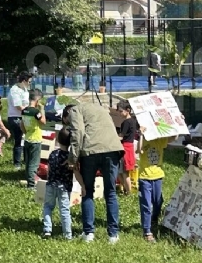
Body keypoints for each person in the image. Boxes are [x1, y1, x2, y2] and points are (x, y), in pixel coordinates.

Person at [62, 100, 123, 243]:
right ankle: (113, 235)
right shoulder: (100, 109)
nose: (67, 125)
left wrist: (73, 159)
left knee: (87, 190)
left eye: (66, 122)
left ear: (67, 113)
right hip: (112, 149)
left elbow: (78, 133)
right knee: (111, 192)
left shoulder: (75, 111)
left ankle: (88, 233)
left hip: (91, 151)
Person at [42, 137, 73, 240]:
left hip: (51, 184)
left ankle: (47, 230)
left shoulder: (53, 154)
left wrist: (49, 179)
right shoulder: (70, 157)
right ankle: (67, 235)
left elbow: (49, 169)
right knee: (64, 210)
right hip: (64, 187)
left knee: (48, 207)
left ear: (58, 141)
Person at [138, 136, 168, 243]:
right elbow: (139, 149)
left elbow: (173, 138)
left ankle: (154, 219)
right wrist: (141, 135)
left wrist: (177, 123)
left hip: (158, 177)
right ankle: (147, 231)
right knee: (146, 204)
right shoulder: (144, 140)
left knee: (158, 201)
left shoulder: (159, 140)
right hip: (145, 178)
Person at [21, 89, 46, 189]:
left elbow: (21, 125)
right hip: (35, 140)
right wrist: (42, 109)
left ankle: (28, 180)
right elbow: (43, 122)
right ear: (38, 100)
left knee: (28, 163)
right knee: (34, 164)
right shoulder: (36, 112)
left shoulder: (24, 110)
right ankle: (31, 185)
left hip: (27, 139)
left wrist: (26, 133)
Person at [6, 71, 30, 170]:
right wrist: (31, 111)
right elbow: (18, 106)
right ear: (24, 81)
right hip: (15, 118)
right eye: (29, 81)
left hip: (24, 117)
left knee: (26, 139)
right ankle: (17, 164)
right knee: (19, 140)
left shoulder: (25, 89)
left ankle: (26, 160)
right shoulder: (14, 90)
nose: (30, 83)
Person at [116, 98, 139, 195]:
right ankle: (127, 190)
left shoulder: (126, 122)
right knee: (123, 172)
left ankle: (129, 192)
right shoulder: (133, 121)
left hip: (125, 148)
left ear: (128, 110)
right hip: (130, 147)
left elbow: (121, 137)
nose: (120, 113)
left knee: (123, 173)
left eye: (121, 111)